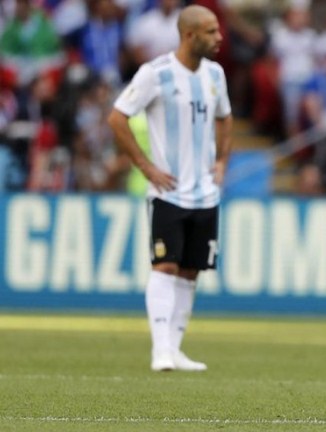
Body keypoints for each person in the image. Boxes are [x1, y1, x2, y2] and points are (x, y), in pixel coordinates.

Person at [107, 5, 233, 371]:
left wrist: (221, 162)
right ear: (190, 35)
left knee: (191, 271)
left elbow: (225, 118)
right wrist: (146, 167)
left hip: (205, 193)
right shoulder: (155, 73)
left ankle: (175, 349)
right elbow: (117, 118)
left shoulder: (215, 74)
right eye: (211, 31)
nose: (219, 37)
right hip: (168, 192)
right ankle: (160, 349)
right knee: (165, 265)